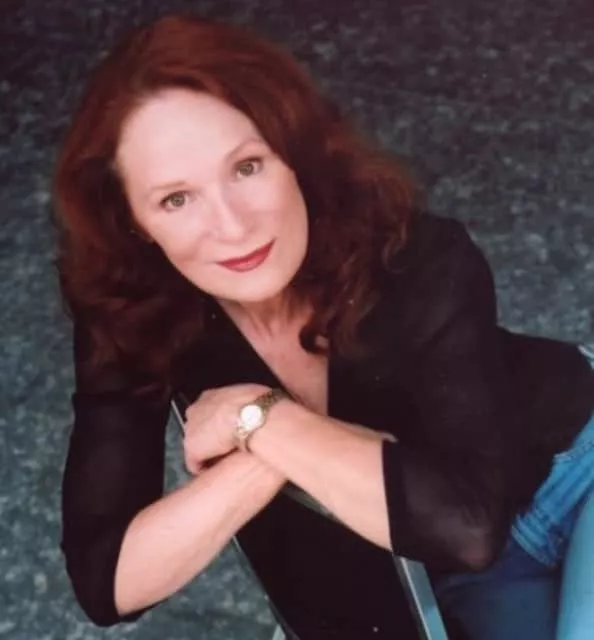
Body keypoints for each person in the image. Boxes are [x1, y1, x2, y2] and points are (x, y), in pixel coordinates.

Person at [54, 14, 594, 640]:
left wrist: (259, 420)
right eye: (176, 199)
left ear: (294, 154)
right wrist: (270, 448)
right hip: (425, 562)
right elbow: (108, 581)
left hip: (570, 475)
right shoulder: (134, 311)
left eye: (246, 167)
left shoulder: (416, 255)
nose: (232, 225)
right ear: (134, 221)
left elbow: (467, 525)